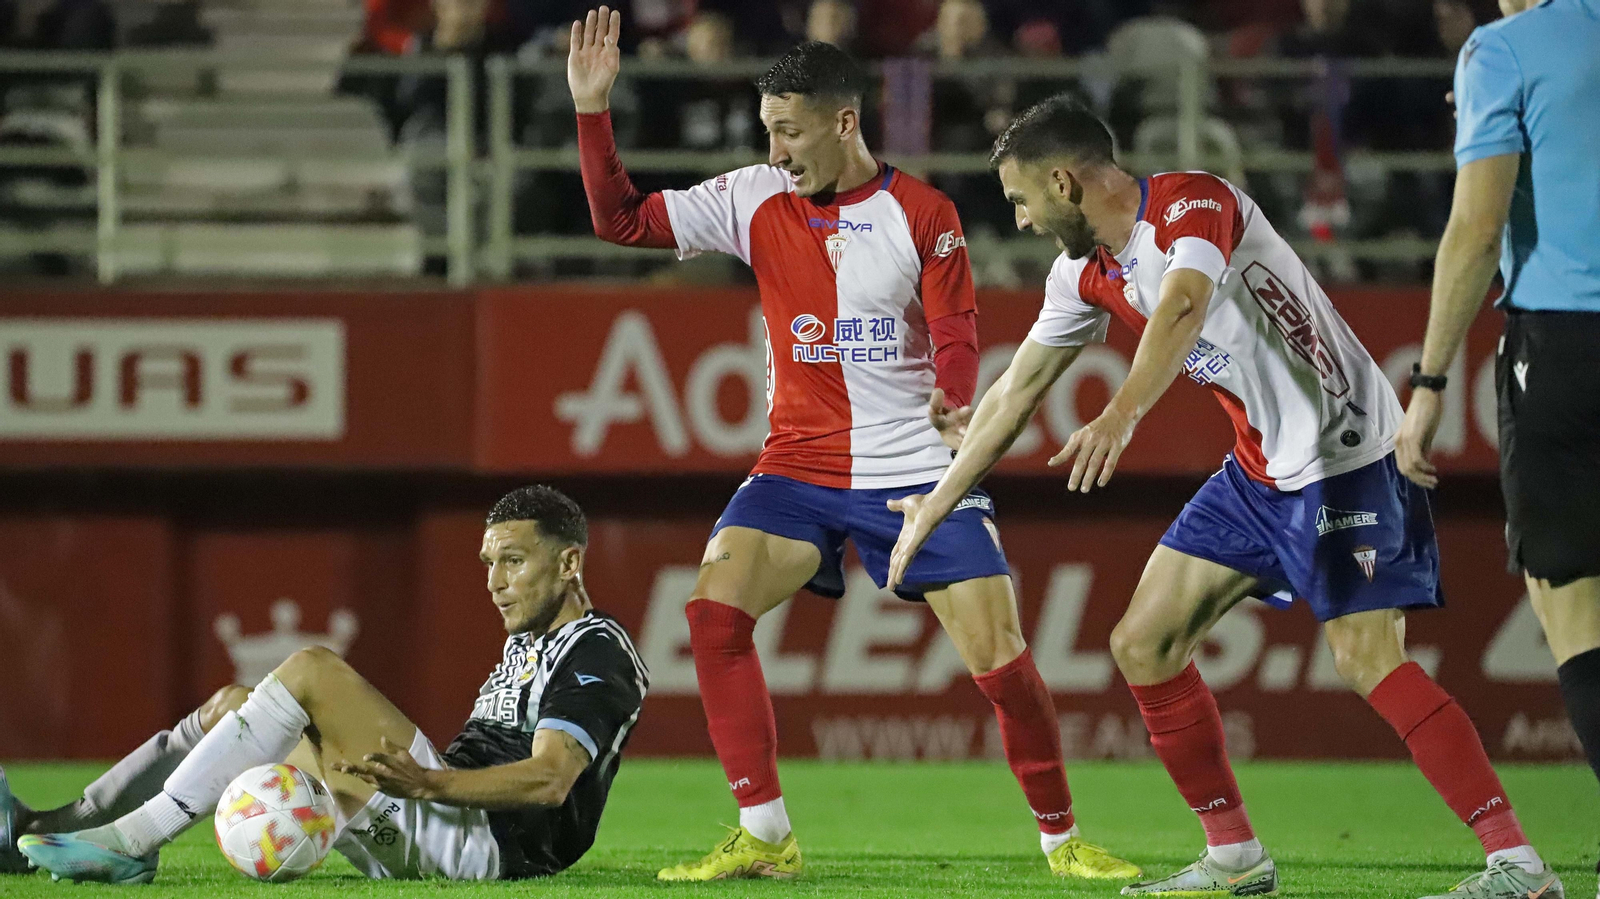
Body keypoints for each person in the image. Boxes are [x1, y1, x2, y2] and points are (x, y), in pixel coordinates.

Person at [886, 95, 1562, 899]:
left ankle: (1518, 864)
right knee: (1143, 642)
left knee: (1366, 657)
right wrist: (935, 501)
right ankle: (1235, 857)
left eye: (1022, 200)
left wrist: (1122, 411)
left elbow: (1182, 304)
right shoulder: (1084, 274)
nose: (1023, 222)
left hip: (1344, 453)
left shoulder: (1192, 203)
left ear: (1063, 182)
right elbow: (1013, 393)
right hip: (1257, 471)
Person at [568, 6, 1139, 883]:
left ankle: (1064, 842)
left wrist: (955, 401)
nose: (775, 152)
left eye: (789, 132)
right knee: (713, 614)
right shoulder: (750, 199)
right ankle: (765, 833)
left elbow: (956, 332)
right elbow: (622, 221)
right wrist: (591, 111)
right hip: (795, 463)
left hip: (914, 463)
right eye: (767, 131)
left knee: (999, 652)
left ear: (844, 122)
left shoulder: (923, 212)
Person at [3, 486, 648, 885]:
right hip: (442, 818)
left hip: (487, 843)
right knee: (233, 705)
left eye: (514, 560)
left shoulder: (598, 649)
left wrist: (431, 784)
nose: (495, 581)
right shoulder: (526, 639)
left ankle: (137, 840)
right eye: (488, 563)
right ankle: (53, 826)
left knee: (313, 668)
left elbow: (550, 779)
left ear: (568, 563)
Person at [1396, 0, 1600, 888]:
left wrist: (1431, 381)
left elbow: (1478, 228)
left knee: (1576, 610)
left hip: (1567, 347)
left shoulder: (1502, 51)